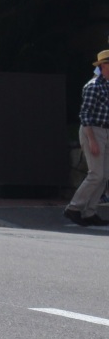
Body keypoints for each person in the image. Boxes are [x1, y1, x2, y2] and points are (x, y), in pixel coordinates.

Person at [63, 50, 109, 227]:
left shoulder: (106, 85)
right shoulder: (93, 86)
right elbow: (85, 115)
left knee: (104, 175)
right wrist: (92, 140)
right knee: (96, 174)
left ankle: (90, 212)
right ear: (103, 66)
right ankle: (74, 208)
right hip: (93, 131)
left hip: (105, 131)